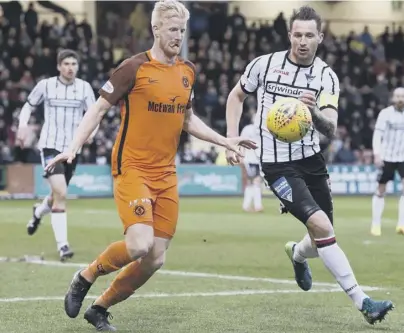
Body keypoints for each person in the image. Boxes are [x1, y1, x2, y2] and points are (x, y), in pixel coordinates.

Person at [45, 1, 255, 331]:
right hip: (132, 167)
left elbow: (188, 120)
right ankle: (86, 275)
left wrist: (225, 140)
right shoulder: (133, 68)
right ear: (156, 29)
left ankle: (100, 308)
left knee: (155, 258)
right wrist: (73, 147)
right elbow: (98, 110)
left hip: (165, 172)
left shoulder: (187, 71)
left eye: (182, 30)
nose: (179, 36)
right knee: (139, 244)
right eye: (173, 29)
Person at [225, 5, 393, 325]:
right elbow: (236, 96)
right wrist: (231, 138)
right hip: (276, 164)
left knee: (319, 239)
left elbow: (330, 127)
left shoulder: (326, 77)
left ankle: (297, 254)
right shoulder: (265, 65)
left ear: (320, 38)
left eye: (309, 36)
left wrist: (313, 112)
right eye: (297, 35)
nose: (302, 41)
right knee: (323, 227)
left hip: (311, 160)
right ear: (290, 35)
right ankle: (363, 302)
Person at [17, 49, 97, 261]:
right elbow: (28, 106)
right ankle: (63, 246)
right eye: (66, 64)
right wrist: (22, 126)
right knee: (61, 192)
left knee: (56, 195)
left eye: (74, 64)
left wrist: (91, 134)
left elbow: (95, 114)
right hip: (50, 146)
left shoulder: (84, 88)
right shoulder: (46, 85)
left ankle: (37, 212)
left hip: (73, 148)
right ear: (59, 66)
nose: (70, 67)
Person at [371, 87, 404, 236]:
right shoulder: (385, 114)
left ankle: (402, 225)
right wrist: (377, 154)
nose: (400, 99)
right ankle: (376, 224)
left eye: (403, 96)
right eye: (398, 96)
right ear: (393, 98)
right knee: (381, 189)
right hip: (387, 157)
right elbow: (377, 135)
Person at [240, 115, 263, 212]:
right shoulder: (248, 129)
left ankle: (249, 205)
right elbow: (241, 142)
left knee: (253, 182)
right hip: (250, 159)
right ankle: (255, 205)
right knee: (254, 182)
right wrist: (241, 156)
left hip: (258, 159)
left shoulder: (262, 128)